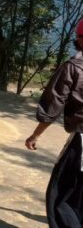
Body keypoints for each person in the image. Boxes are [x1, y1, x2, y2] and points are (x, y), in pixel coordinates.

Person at [25, 19, 83, 227]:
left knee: (61, 198)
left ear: (78, 39)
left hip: (81, 142)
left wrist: (36, 134)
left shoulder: (73, 67)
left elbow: (54, 104)